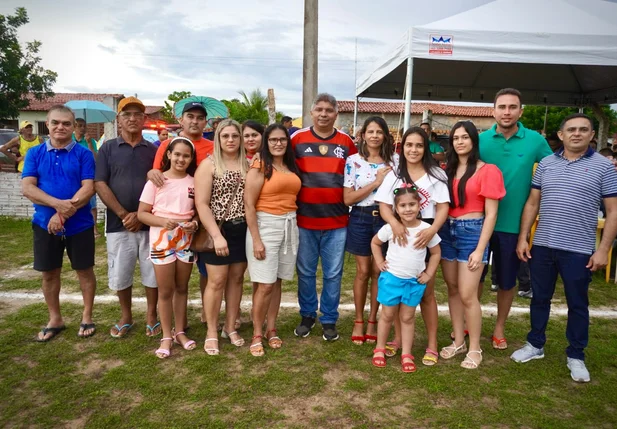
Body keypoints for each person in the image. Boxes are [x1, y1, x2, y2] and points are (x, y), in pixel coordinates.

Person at [512, 113, 617, 383]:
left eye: (583, 129)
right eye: (571, 129)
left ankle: (576, 355)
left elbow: (613, 210)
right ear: (561, 135)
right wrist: (524, 237)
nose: (577, 134)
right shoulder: (546, 164)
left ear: (592, 135)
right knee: (539, 298)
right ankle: (535, 344)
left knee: (578, 303)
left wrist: (604, 248)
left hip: (579, 249)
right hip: (544, 245)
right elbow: (533, 203)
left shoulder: (604, 167)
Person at [479, 88, 552, 350]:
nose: (506, 112)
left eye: (512, 107)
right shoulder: (480, 140)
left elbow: (554, 169)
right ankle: (470, 322)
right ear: (493, 110)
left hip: (512, 225)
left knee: (507, 281)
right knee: (474, 277)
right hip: (478, 222)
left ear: (521, 111)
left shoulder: (534, 140)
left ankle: (499, 327)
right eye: (502, 107)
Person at [374, 126, 449, 365]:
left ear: (425, 147)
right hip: (400, 230)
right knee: (399, 286)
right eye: (409, 145)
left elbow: (443, 207)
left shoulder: (436, 174)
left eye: (419, 145)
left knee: (426, 292)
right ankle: (397, 340)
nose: (413, 149)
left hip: (425, 230)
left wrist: (432, 230)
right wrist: (394, 224)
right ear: (402, 147)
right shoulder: (395, 173)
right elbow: (385, 204)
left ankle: (432, 344)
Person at [21, 105, 96, 341]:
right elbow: (28, 188)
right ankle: (55, 318)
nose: (60, 127)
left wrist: (63, 214)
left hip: (80, 224)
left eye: (66, 123)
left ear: (73, 126)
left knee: (84, 271)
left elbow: (88, 188)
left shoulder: (83, 154)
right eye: (55, 123)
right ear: (48, 124)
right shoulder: (35, 153)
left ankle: (87, 316)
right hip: (45, 224)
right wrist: (57, 205)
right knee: (49, 274)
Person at [438, 121, 505, 369]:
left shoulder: (488, 170)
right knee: (453, 289)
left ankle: (475, 347)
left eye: (464, 137)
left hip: (472, 233)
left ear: (473, 140)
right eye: (455, 138)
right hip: (447, 232)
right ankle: (459, 341)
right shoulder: (448, 170)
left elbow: (491, 214)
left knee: (468, 294)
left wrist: (480, 249)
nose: (459, 142)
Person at [291, 93, 358, 341]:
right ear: (311, 112)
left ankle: (329, 319)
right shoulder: (296, 139)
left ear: (336, 114)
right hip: (305, 220)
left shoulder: (346, 142)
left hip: (337, 222)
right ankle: (307, 315)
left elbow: (356, 174)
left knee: (333, 274)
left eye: (328, 110)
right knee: (306, 272)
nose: (323, 114)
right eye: (318, 109)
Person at [94, 96, 160, 338]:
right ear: (118, 120)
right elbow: (100, 183)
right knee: (121, 272)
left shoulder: (153, 151)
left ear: (144, 119)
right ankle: (126, 316)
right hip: (118, 223)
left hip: (149, 223)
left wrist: (142, 215)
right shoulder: (108, 149)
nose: (132, 119)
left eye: (137, 115)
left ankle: (152, 316)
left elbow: (161, 185)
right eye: (127, 115)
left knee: (152, 271)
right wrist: (124, 214)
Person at [148, 100, 214, 323]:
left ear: (206, 122)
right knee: (171, 279)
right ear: (181, 119)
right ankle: (173, 324)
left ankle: (207, 311)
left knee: (207, 267)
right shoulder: (166, 146)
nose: (195, 121)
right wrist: (151, 173)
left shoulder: (213, 147)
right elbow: (157, 173)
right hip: (173, 222)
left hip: (203, 215)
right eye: (190, 116)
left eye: (199, 118)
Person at [138, 137, 200, 358]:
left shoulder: (194, 182)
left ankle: (180, 331)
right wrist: (163, 222)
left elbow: (196, 211)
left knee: (182, 288)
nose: (181, 159)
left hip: (185, 240)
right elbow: (142, 213)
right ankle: (166, 335)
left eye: (186, 155)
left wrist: (194, 223)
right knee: (165, 291)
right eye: (177, 154)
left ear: (191, 158)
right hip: (162, 239)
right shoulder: (156, 181)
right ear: (169, 155)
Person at [370, 185, 441, 373]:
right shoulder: (390, 228)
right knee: (387, 315)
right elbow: (375, 243)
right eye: (402, 206)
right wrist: (379, 262)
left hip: (413, 283)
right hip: (391, 280)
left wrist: (428, 274)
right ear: (396, 209)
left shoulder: (426, 230)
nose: (407, 209)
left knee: (408, 317)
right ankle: (379, 349)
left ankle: (406, 353)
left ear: (420, 206)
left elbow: (435, 253)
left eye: (412, 204)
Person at [244, 124, 301, 356]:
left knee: (276, 281)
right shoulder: (259, 165)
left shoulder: (290, 166)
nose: (278, 143)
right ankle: (257, 333)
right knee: (265, 284)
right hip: (265, 226)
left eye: (282, 139)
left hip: (290, 225)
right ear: (266, 142)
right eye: (273, 140)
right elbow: (249, 205)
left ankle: (272, 328)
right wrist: (257, 239)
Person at [194, 119, 248, 355]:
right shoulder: (209, 165)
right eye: (225, 136)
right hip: (218, 229)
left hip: (243, 229)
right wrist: (216, 236)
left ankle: (230, 326)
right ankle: (212, 332)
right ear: (218, 138)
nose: (230, 140)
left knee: (236, 280)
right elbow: (202, 204)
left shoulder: (248, 163)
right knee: (216, 282)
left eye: (235, 136)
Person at [343, 116, 395, 345]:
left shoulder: (395, 161)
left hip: (385, 219)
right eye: (370, 131)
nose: (374, 136)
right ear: (363, 135)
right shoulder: (353, 161)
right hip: (361, 218)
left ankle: (373, 319)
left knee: (378, 272)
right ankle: (358, 320)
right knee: (363, 272)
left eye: (379, 132)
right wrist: (375, 183)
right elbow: (347, 198)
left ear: (385, 135)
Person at [73, 118, 101, 239]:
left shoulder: (91, 141)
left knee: (92, 205)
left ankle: (94, 229)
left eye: (84, 126)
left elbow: (96, 159)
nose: (82, 128)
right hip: (74, 176)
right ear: (74, 127)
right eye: (79, 126)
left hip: (88, 176)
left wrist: (89, 143)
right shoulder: (70, 141)